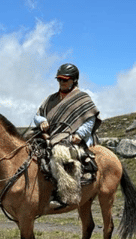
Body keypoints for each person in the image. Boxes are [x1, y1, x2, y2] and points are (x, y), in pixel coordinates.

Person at [33, 63, 101, 204]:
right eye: (59, 79)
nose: (61, 82)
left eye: (65, 79)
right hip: (51, 134)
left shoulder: (82, 98)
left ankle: (65, 192)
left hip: (73, 136)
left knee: (59, 154)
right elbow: (38, 114)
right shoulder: (51, 99)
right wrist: (41, 121)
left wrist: (80, 134)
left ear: (74, 80)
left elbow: (90, 119)